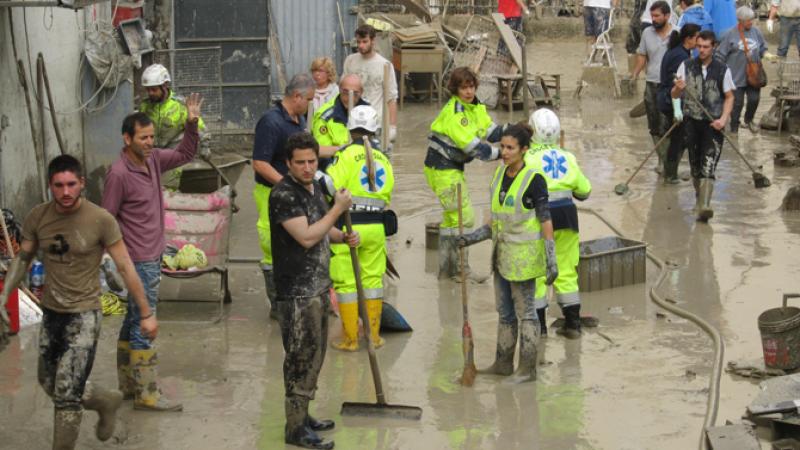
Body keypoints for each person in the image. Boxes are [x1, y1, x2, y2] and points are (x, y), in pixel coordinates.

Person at [0, 155, 158, 449]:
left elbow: (125, 266)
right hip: (51, 312)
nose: (66, 191)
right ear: (50, 185)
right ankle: (104, 400)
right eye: (59, 185)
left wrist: (146, 313)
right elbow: (23, 258)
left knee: (66, 395)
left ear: (82, 183)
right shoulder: (38, 216)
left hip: (85, 315)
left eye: (71, 184)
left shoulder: (101, 219)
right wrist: (3, 296)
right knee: (48, 380)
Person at [102, 93, 203, 412]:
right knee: (144, 322)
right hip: (137, 259)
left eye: (151, 137)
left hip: (153, 253)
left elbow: (186, 153)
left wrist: (191, 124)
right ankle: (146, 394)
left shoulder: (154, 159)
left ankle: (127, 385)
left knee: (132, 318)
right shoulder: (118, 174)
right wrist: (112, 259)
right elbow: (107, 219)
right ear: (127, 138)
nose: (149, 143)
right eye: (143, 138)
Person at [269, 131, 359, 449]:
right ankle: (295, 428)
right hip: (297, 292)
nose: (308, 168)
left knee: (316, 356)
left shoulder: (314, 187)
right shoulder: (283, 195)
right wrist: (338, 208)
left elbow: (322, 227)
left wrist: (342, 236)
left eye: (312, 161)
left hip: (319, 286)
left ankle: (304, 416)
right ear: (288, 163)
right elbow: (306, 236)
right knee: (300, 359)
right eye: (300, 163)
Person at [457, 124, 557, 383]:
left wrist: (551, 257)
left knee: (527, 313)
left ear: (524, 149)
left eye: (510, 148)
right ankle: (503, 364)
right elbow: (495, 221)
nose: (504, 152)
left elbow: (545, 219)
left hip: (524, 260)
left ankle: (527, 370)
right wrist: (470, 238)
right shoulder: (498, 176)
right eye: (502, 146)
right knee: (504, 312)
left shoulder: (534, 179)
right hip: (501, 256)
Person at [252, 74, 338, 321]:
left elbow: (311, 151)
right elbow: (260, 163)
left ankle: (302, 296)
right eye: (309, 100)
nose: (310, 105)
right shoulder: (271, 122)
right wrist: (288, 186)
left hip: (294, 190)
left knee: (302, 239)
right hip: (270, 192)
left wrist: (341, 149)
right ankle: (278, 305)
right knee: (272, 246)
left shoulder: (297, 120)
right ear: (297, 96)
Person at [319, 105, 394, 352]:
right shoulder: (383, 158)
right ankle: (374, 337)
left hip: (349, 227)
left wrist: (317, 177)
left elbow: (332, 186)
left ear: (350, 128)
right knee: (373, 280)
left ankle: (350, 339)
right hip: (377, 228)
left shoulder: (345, 155)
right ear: (375, 129)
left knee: (347, 283)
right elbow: (387, 193)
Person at [423, 67, 504, 280]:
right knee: (464, 217)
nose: (468, 92)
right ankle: (461, 270)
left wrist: (513, 131)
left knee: (452, 219)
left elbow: (491, 131)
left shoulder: (475, 107)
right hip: (442, 169)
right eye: (463, 88)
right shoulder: (456, 113)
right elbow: (474, 148)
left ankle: (447, 271)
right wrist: (502, 153)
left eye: (471, 87)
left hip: (449, 168)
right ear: (455, 90)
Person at [524, 110, 592, 339]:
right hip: (567, 218)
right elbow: (585, 191)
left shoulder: (526, 158)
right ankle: (573, 324)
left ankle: (539, 329)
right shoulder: (568, 156)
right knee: (566, 269)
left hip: (539, 220)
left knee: (537, 271)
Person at [672, 30, 735, 221]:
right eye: (698, 46)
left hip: (713, 125)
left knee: (708, 165)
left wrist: (723, 119)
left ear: (713, 47)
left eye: (706, 47)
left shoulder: (723, 69)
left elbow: (730, 97)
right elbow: (674, 94)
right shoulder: (686, 66)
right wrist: (677, 90)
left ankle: (705, 205)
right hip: (691, 123)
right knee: (695, 167)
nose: (701, 50)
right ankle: (700, 201)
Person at [632, 1, 675, 175]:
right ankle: (662, 159)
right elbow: (642, 55)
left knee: (668, 125)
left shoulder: (677, 34)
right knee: (654, 126)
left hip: (671, 86)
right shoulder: (647, 33)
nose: (654, 19)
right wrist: (635, 74)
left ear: (667, 16)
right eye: (652, 16)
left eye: (657, 16)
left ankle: (669, 162)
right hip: (651, 83)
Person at [658, 24, 702, 183]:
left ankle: (669, 171)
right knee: (678, 139)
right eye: (697, 37)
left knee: (677, 138)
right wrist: (678, 108)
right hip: (671, 100)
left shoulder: (679, 52)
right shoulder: (681, 57)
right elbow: (677, 84)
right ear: (689, 38)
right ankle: (670, 174)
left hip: (667, 97)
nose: (699, 41)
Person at [342, 25, 398, 146]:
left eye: (364, 41)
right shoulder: (350, 61)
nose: (361, 45)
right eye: (358, 42)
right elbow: (343, 90)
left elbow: (391, 98)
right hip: (353, 121)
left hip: (376, 123)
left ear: (373, 41)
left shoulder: (385, 65)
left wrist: (392, 126)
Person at [717, 6, 767, 134]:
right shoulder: (730, 34)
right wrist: (721, 73)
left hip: (753, 76)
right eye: (748, 20)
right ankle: (734, 128)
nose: (751, 22)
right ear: (740, 20)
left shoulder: (756, 32)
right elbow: (720, 55)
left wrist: (766, 54)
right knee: (737, 105)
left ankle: (749, 119)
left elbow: (763, 47)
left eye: (752, 19)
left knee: (754, 99)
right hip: (736, 77)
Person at [138, 64, 206, 148]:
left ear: (165, 85)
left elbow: (200, 128)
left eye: (154, 89)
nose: (150, 93)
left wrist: (205, 147)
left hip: (175, 152)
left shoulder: (180, 105)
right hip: (152, 152)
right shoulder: (144, 106)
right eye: (148, 89)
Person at [312, 74, 369, 151]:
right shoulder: (325, 116)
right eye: (345, 92)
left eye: (355, 94)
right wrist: (344, 150)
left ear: (361, 92)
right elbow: (321, 151)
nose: (349, 98)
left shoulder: (368, 111)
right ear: (339, 89)